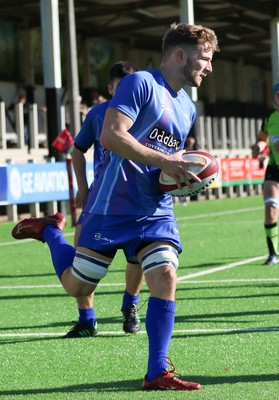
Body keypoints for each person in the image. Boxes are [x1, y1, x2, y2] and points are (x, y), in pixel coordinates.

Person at [12, 22, 219, 390]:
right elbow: (111, 135)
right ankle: (49, 231)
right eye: (204, 58)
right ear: (179, 55)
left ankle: (157, 372)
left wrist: (183, 176)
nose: (209, 67)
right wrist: (166, 163)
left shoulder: (188, 106)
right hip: (109, 208)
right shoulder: (139, 83)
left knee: (165, 275)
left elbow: (172, 160)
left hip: (155, 211)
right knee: (77, 286)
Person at [65, 61, 144, 338]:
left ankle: (130, 305)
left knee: (138, 258)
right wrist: (83, 187)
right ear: (111, 89)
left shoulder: (151, 111)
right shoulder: (98, 114)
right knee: (81, 256)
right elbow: (77, 150)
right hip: (101, 201)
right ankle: (87, 319)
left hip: (138, 201)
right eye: (122, 87)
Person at [252, 82, 279, 265]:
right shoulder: (270, 117)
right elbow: (263, 139)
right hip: (274, 168)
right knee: (270, 209)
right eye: (278, 94)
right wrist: (258, 148)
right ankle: (273, 254)